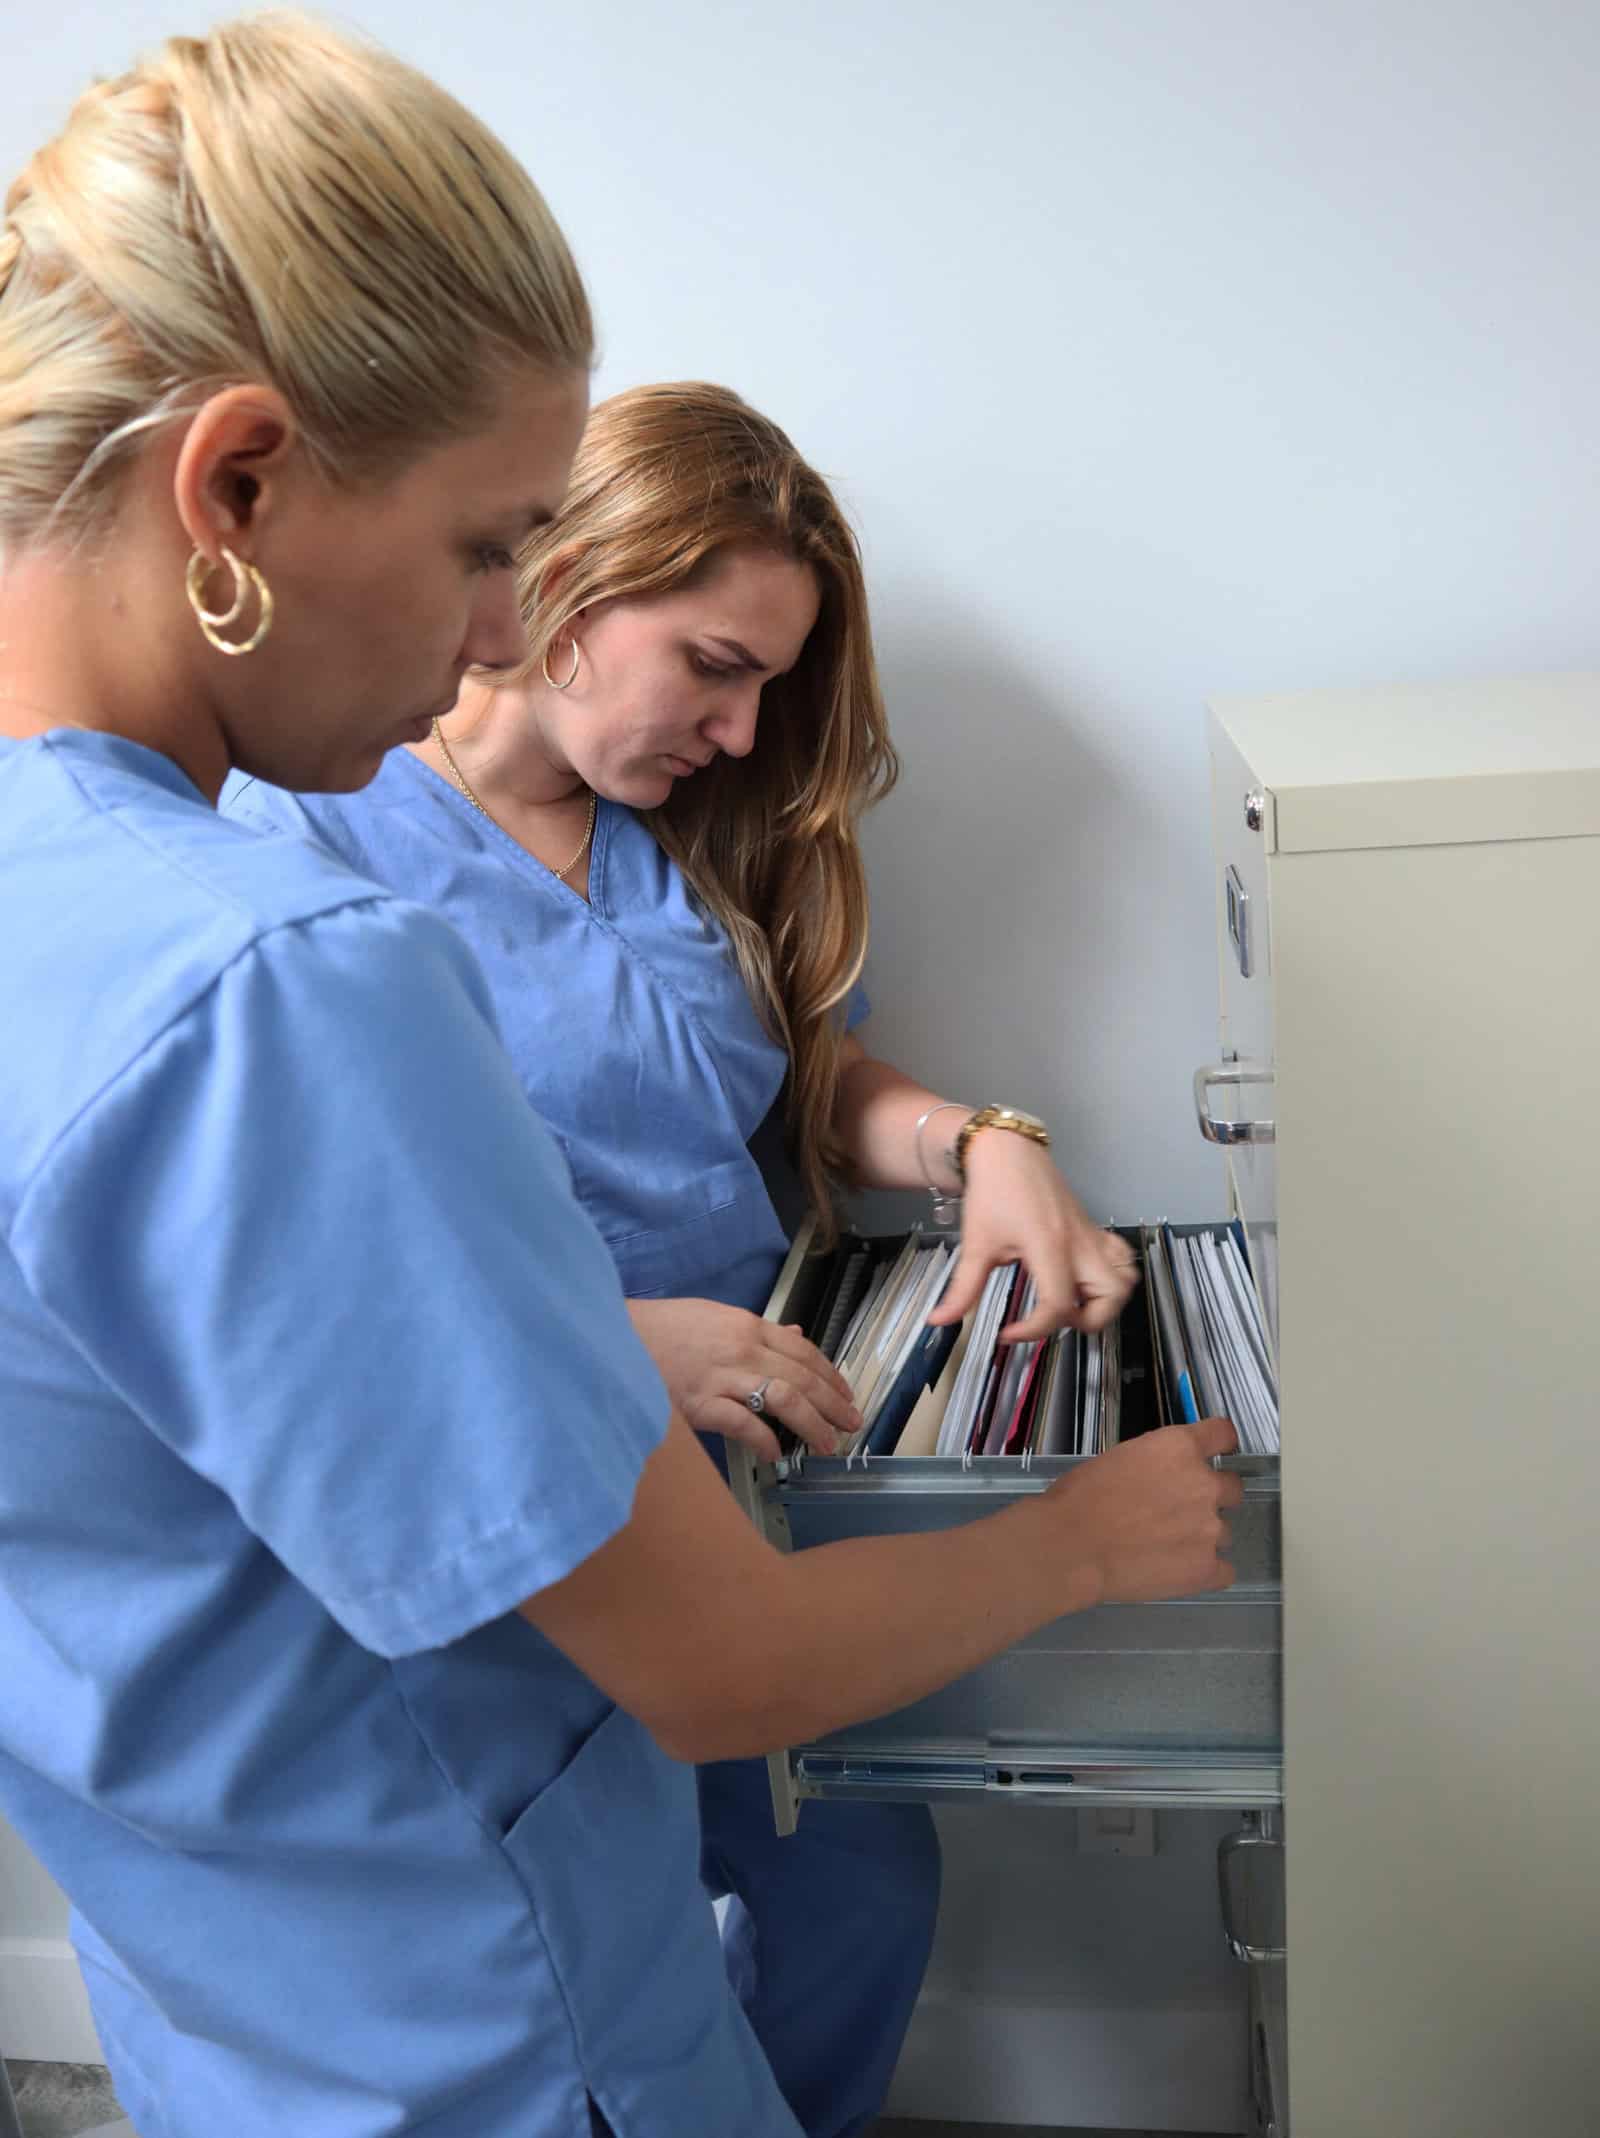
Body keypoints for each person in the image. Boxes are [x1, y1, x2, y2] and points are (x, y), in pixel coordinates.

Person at [0, 21, 1240, 2138]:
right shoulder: (289, 970)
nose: (492, 625)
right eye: (492, 544)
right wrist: (1083, 1539)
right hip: (500, 2036)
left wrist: (977, 1139)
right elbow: (723, 1666)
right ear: (235, 484)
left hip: (244, 2015)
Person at [223, 382, 1206, 2137]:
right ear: (575, 585)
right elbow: (301, 1251)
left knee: (856, 1887)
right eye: (715, 663)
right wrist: (607, 1340)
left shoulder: (692, 841)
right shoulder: (314, 830)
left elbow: (797, 1074)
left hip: (759, 1470)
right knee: (568, 1989)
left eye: (766, 683)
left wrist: (983, 1145)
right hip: (511, 1492)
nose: (745, 731)